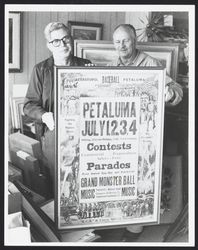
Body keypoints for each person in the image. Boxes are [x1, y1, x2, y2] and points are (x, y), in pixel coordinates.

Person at [109, 24, 183, 241]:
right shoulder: (112, 65)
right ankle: (120, 219)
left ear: (135, 41)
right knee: (122, 177)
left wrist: (169, 93)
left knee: (141, 179)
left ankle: (134, 229)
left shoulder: (151, 63)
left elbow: (177, 91)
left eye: (126, 40)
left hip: (144, 132)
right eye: (117, 41)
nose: (121, 45)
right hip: (121, 132)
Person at [23, 22, 91, 194]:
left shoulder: (86, 65)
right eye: (56, 41)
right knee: (58, 183)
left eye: (65, 39)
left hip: (82, 135)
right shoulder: (40, 70)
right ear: (49, 45)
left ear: (71, 40)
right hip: (53, 135)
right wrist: (44, 115)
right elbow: (29, 105)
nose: (62, 44)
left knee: (81, 179)